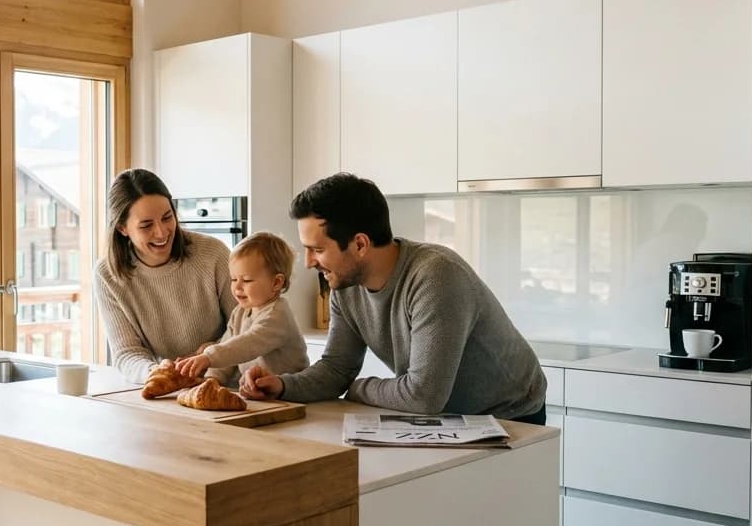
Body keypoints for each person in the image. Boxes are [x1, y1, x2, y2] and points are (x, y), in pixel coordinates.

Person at [240, 173, 548, 424]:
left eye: (317, 250)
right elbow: (336, 369)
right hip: (446, 418)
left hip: (509, 416)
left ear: (360, 244)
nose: (309, 263)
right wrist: (283, 385)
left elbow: (423, 396)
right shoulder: (345, 285)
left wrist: (357, 387)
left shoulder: (436, 277)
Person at [94, 168, 237, 384]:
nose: (161, 232)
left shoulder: (213, 254)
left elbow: (245, 325)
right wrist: (156, 371)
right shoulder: (108, 275)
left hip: (229, 384)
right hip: (171, 388)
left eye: (167, 217)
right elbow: (127, 353)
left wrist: (213, 354)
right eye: (146, 225)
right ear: (123, 228)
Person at [174, 231, 309, 381]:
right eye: (233, 279)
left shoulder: (278, 316)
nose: (237, 287)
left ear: (276, 283)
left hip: (290, 390)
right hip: (256, 388)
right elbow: (227, 350)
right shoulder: (240, 312)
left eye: (246, 280)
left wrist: (209, 357)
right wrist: (212, 379)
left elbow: (246, 345)